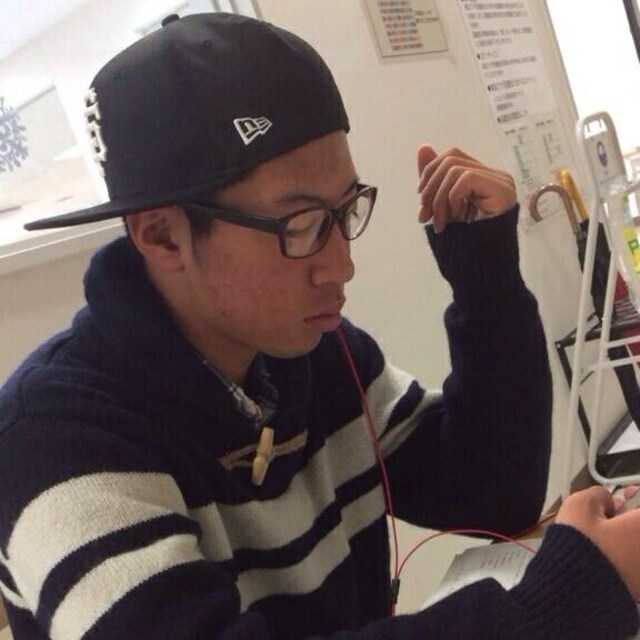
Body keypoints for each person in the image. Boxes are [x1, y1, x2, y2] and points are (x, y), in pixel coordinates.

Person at [0, 11, 638, 640]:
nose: (342, 264)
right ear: (163, 235)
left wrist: (487, 281)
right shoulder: (52, 440)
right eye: (299, 225)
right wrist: (564, 601)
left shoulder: (316, 356)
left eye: (344, 211)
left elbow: (490, 496)